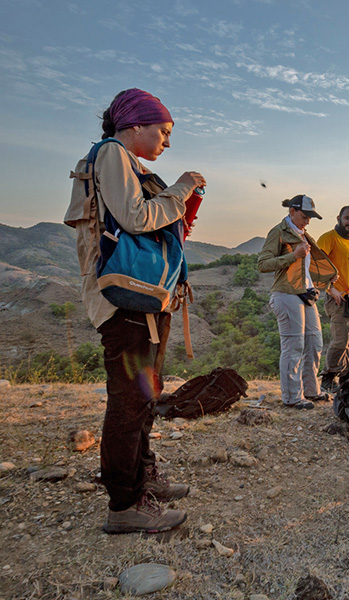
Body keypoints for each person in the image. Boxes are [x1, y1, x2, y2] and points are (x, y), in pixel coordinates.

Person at [64, 88, 204, 534]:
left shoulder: (129, 164)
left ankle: (143, 480)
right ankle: (125, 504)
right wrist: (183, 185)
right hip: (123, 302)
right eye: (163, 132)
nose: (167, 141)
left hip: (142, 301)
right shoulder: (111, 153)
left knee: (144, 398)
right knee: (128, 404)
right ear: (136, 125)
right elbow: (136, 217)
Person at [258, 195, 336, 409]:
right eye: (305, 215)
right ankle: (292, 397)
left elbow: (306, 269)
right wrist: (294, 255)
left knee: (314, 342)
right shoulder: (279, 232)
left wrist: (327, 277)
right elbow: (263, 264)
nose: (308, 220)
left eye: (311, 217)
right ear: (292, 211)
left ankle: (311, 391)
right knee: (294, 346)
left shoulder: (303, 234)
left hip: (305, 294)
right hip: (285, 294)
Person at [317, 206, 349, 393]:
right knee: (339, 341)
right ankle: (328, 377)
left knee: (348, 340)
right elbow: (316, 263)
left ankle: (345, 375)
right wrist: (330, 288)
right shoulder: (329, 238)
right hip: (337, 299)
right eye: (347, 218)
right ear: (338, 218)